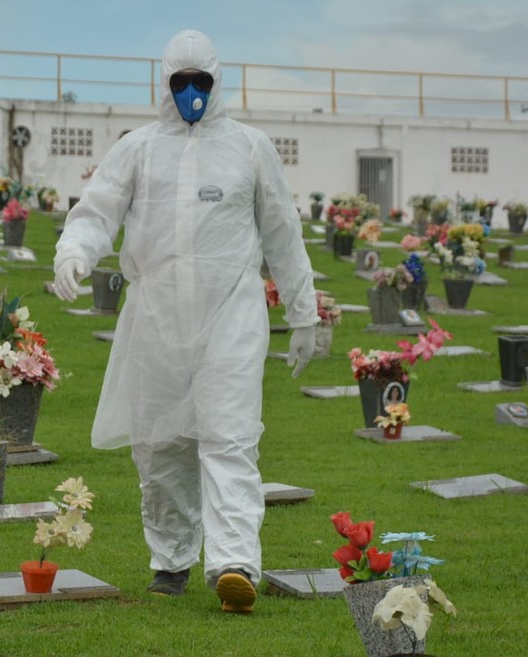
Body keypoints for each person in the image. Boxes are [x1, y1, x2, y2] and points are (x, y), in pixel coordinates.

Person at [53, 29, 318, 614]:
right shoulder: (139, 148)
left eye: (202, 82)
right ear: (164, 83)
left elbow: (283, 232)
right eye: (181, 82)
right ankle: (171, 558)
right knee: (160, 446)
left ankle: (233, 562)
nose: (192, 93)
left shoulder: (250, 147)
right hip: (155, 318)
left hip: (232, 314)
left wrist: (304, 314)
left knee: (229, 438)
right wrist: (74, 251)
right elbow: (97, 211)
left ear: (219, 82)